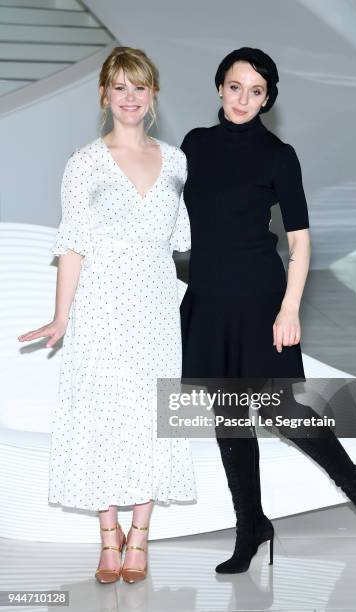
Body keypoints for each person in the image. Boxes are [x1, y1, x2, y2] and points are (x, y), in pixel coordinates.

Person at [180, 47, 356, 574]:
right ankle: (251, 524)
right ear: (219, 88)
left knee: (281, 411)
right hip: (207, 298)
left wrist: (289, 308)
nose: (243, 99)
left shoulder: (279, 154)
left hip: (260, 300)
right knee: (228, 416)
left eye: (256, 91)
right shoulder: (194, 146)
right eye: (235, 87)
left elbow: (300, 241)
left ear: (268, 97)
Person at [18, 46, 196, 584]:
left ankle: (140, 534)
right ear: (103, 95)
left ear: (153, 95)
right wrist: (60, 316)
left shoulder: (177, 162)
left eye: (139, 87)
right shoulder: (85, 163)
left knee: (152, 411)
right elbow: (72, 244)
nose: (130, 97)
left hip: (159, 303)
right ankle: (107, 536)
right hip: (101, 301)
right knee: (101, 410)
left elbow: (182, 239)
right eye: (119, 87)